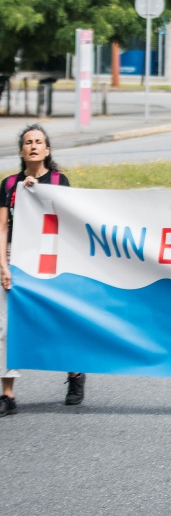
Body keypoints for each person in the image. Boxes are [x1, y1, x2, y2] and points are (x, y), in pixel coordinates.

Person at [0, 125, 83, 413]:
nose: (33, 146)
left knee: (59, 319)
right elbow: (2, 228)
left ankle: (74, 373)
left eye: (38, 142)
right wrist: (3, 265)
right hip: (15, 259)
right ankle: (7, 395)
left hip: (50, 258)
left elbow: (70, 220)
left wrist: (40, 193)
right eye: (27, 142)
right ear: (22, 151)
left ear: (47, 150)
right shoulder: (9, 184)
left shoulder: (59, 181)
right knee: (5, 327)